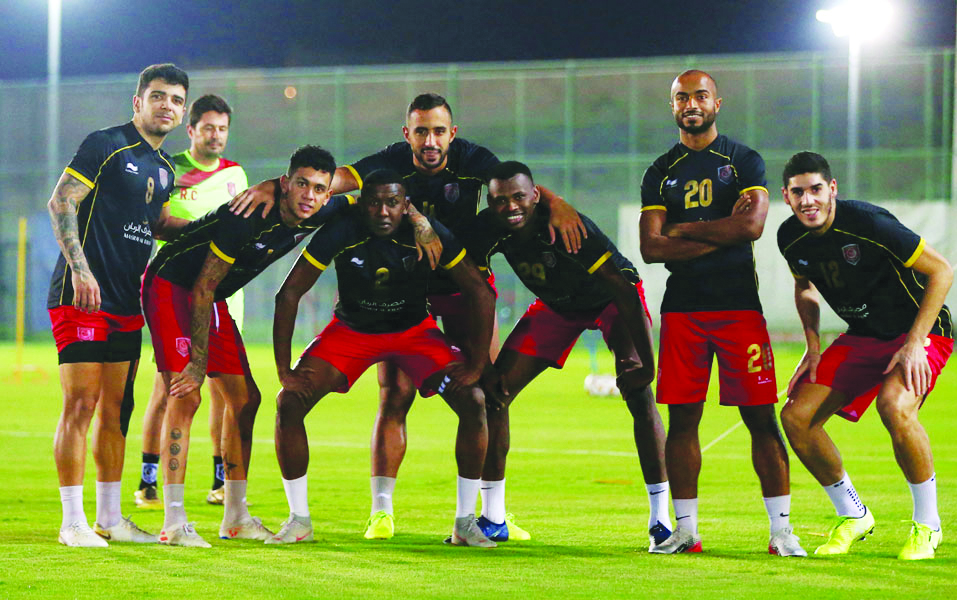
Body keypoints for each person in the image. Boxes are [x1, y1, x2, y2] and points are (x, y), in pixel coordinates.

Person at [232, 93, 583, 540]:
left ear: (452, 134)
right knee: (393, 397)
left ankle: (492, 513)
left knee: (489, 391)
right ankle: (380, 512)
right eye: (421, 131)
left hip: (455, 284)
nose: (430, 140)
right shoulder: (386, 171)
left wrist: (555, 201)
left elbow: (513, 186)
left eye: (438, 131)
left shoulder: (474, 160)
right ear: (407, 135)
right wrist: (274, 185)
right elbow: (331, 182)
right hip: (397, 301)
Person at [266, 169, 498, 548]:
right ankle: (298, 520)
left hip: (413, 333)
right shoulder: (343, 228)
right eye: (374, 202)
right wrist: (282, 369)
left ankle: (465, 523)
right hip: (352, 331)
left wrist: (475, 365)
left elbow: (481, 292)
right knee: (288, 402)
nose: (383, 211)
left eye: (393, 203)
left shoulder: (428, 229)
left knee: (474, 401)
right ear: (362, 204)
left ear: (406, 205)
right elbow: (288, 293)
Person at [142, 145, 347, 547]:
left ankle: (235, 516)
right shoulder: (248, 216)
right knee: (186, 394)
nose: (309, 194)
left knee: (245, 399)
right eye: (300, 183)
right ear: (286, 184)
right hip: (172, 285)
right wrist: (197, 363)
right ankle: (173, 520)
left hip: (209, 295)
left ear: (327, 195)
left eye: (319, 188)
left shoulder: (320, 210)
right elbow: (200, 286)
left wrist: (415, 217)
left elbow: (370, 192)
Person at [639, 69, 804, 556]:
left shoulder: (743, 160)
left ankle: (781, 531)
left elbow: (751, 226)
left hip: (738, 310)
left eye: (700, 96)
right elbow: (651, 247)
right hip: (683, 313)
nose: (691, 104)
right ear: (672, 107)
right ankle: (686, 530)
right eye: (682, 97)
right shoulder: (659, 171)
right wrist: (716, 229)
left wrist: (683, 231)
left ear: (717, 102)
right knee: (682, 420)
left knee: (761, 419)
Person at [463, 161, 670, 546]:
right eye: (500, 200)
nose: (511, 207)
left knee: (638, 391)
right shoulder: (485, 229)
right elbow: (478, 291)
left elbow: (622, 289)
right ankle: (493, 518)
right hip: (557, 307)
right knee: (495, 392)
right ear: (489, 203)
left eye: (519, 197)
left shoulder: (568, 226)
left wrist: (648, 364)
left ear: (536, 196)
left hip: (610, 300)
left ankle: (662, 520)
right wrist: (480, 360)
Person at [777, 151, 954, 560]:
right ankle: (853, 515)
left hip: (920, 332)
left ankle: (928, 526)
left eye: (816, 189)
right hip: (863, 336)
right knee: (796, 417)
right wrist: (812, 344)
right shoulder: (790, 236)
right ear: (786, 197)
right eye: (798, 192)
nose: (808, 201)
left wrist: (914, 343)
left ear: (832, 189)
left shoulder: (870, 224)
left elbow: (942, 271)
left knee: (894, 407)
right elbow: (804, 287)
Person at [46, 63, 190, 547]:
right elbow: (61, 202)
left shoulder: (166, 170)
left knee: (117, 410)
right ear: (138, 102)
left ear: (182, 109)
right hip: (82, 296)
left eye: (175, 99)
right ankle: (72, 523)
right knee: (81, 405)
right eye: (157, 96)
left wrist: (215, 229)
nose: (166, 105)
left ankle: (110, 519)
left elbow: (158, 224)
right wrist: (80, 268)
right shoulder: (105, 145)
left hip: (128, 302)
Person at [134, 94, 249, 509]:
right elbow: (158, 225)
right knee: (169, 389)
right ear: (192, 130)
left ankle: (220, 481)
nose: (216, 136)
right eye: (208, 128)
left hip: (223, 297)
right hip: (176, 295)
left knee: (224, 393)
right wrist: (209, 232)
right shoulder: (171, 169)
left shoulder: (237, 174)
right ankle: (148, 480)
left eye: (222, 129)